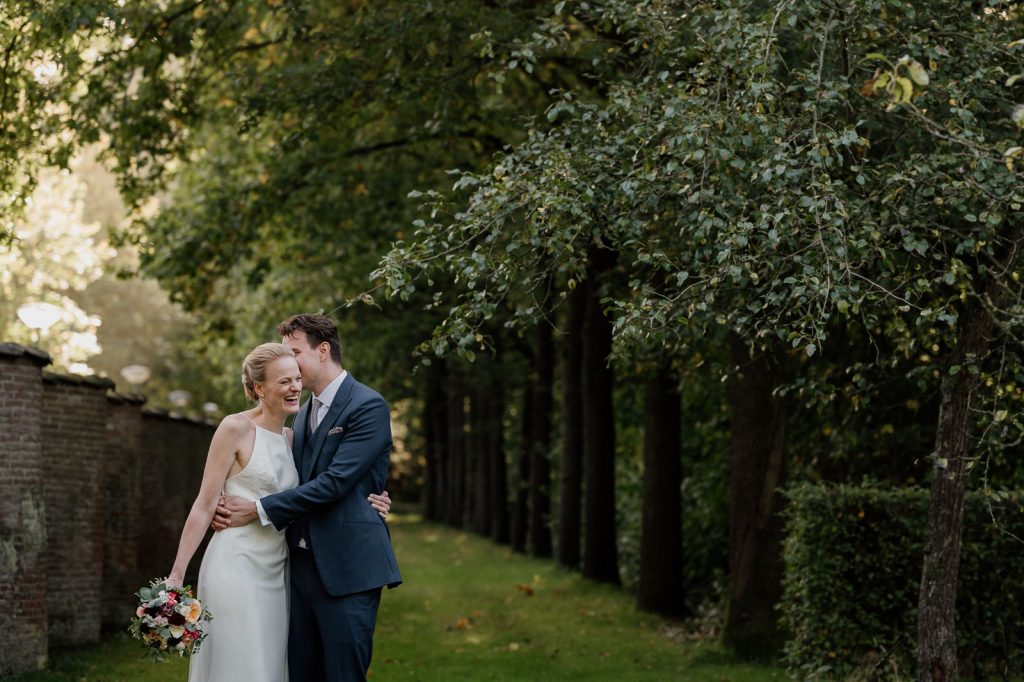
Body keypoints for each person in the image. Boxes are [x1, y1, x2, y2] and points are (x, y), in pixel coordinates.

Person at [165, 342, 391, 682]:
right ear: (259, 388)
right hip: (236, 565)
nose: (295, 387)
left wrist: (370, 500)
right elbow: (204, 504)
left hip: (281, 569)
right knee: (240, 663)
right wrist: (177, 576)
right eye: (284, 381)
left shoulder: (293, 435)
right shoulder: (234, 428)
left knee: (273, 665)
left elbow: (326, 485)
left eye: (296, 379)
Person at [214, 314, 402, 682]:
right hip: (298, 570)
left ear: (324, 350)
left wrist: (258, 509)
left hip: (349, 568)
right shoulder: (300, 414)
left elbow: (335, 482)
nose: (287, 362)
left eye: (294, 352)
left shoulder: (368, 405)